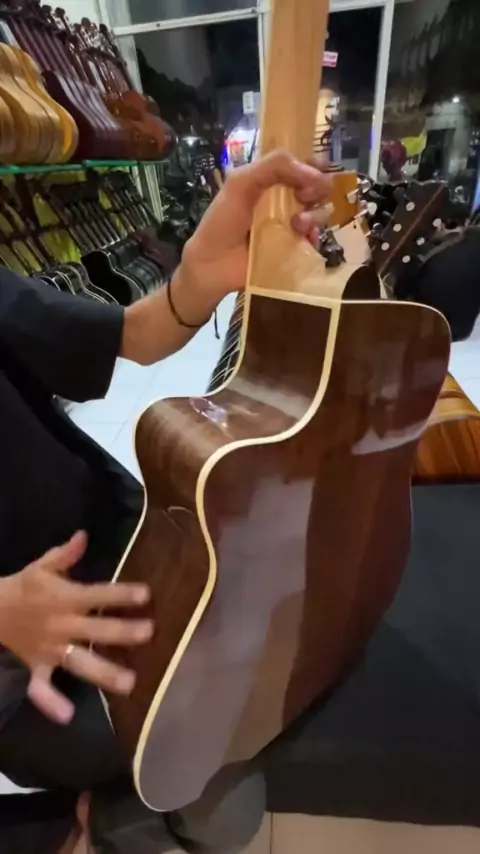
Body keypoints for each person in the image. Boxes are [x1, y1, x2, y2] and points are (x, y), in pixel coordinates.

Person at [0, 150, 330, 854]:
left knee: (255, 696)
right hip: (26, 665)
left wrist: (197, 278)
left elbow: (130, 334)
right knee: (208, 779)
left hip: (120, 549)